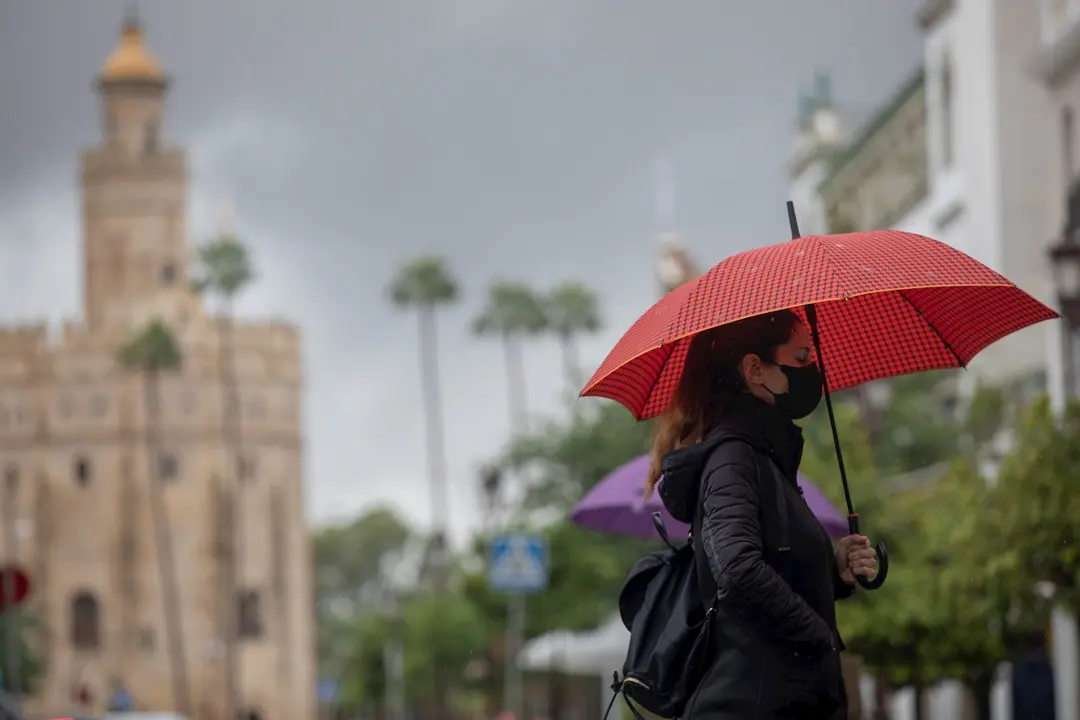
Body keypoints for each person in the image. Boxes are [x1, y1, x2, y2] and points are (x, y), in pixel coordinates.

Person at [646, 309, 878, 720]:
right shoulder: (733, 459)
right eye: (802, 357)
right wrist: (817, 636)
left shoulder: (764, 457)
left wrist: (833, 570)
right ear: (755, 369)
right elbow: (736, 570)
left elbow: (773, 565)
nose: (813, 369)